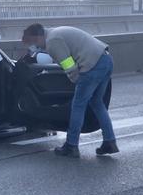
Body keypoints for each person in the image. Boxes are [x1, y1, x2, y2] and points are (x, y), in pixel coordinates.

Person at [22, 24, 119, 158]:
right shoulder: (55, 33)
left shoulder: (52, 42)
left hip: (92, 66)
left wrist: (77, 82)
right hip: (106, 60)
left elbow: (69, 67)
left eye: (33, 43)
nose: (35, 46)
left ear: (38, 37)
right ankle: (110, 141)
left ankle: (71, 145)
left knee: (78, 105)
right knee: (97, 103)